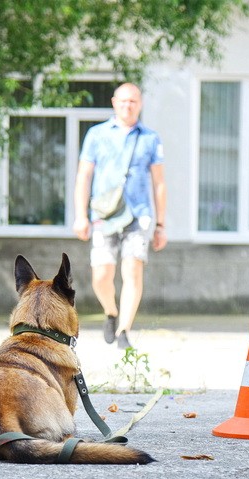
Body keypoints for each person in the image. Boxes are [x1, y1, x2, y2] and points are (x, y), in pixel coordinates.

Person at [73, 82, 167, 349]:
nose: (128, 106)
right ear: (114, 103)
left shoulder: (150, 138)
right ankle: (111, 312)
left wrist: (161, 224)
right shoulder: (96, 134)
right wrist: (81, 215)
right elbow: (84, 176)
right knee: (101, 275)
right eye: (123, 101)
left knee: (133, 270)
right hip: (105, 214)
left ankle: (124, 330)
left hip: (138, 215)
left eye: (133, 101)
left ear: (140, 104)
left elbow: (159, 183)